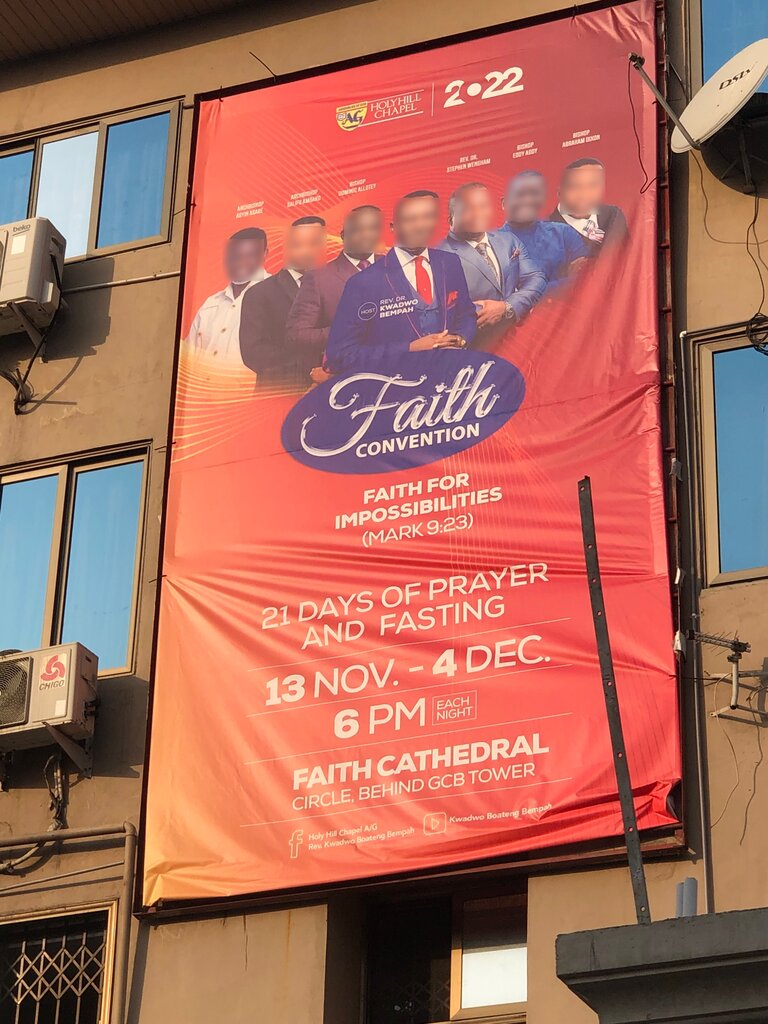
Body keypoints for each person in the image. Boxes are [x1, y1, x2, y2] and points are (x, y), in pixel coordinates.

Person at [325, 190, 476, 375]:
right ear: (392, 227)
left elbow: (466, 313)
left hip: (450, 380)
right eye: (409, 220)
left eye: (426, 218)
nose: (419, 226)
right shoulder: (363, 283)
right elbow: (340, 355)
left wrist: (459, 339)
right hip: (396, 390)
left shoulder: (450, 262)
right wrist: (409, 349)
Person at [439, 182, 546, 346]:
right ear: (451, 219)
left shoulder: (509, 240)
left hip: (519, 340)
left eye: (483, 206)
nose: (477, 213)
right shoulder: (439, 257)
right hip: (475, 347)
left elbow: (536, 278)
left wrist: (506, 307)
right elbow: (441, 312)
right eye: (467, 208)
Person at [286, 205, 384, 378]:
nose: (366, 235)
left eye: (372, 228)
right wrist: (344, 331)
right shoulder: (318, 278)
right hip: (348, 376)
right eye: (357, 229)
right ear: (343, 236)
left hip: (397, 369)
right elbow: (297, 335)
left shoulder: (393, 266)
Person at [239, 216, 327, 385]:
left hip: (338, 396)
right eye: (299, 244)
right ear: (287, 247)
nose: (307, 251)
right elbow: (254, 353)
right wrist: (312, 370)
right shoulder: (259, 293)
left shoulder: (342, 285)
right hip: (282, 397)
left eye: (314, 243)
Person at [184, 228, 269, 361]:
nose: (240, 262)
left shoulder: (278, 295)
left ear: (264, 254)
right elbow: (188, 358)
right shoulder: (210, 304)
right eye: (235, 256)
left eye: (250, 256)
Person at [500, 170, 590, 292]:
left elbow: (583, 281)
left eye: (534, 194)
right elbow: (500, 293)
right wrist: (563, 283)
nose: (527, 200)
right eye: (520, 194)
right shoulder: (489, 245)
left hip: (562, 310)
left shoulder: (564, 234)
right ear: (504, 203)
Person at [549, 158, 628, 253]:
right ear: (559, 193)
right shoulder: (545, 235)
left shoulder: (614, 215)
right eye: (575, 187)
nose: (584, 195)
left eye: (593, 185)